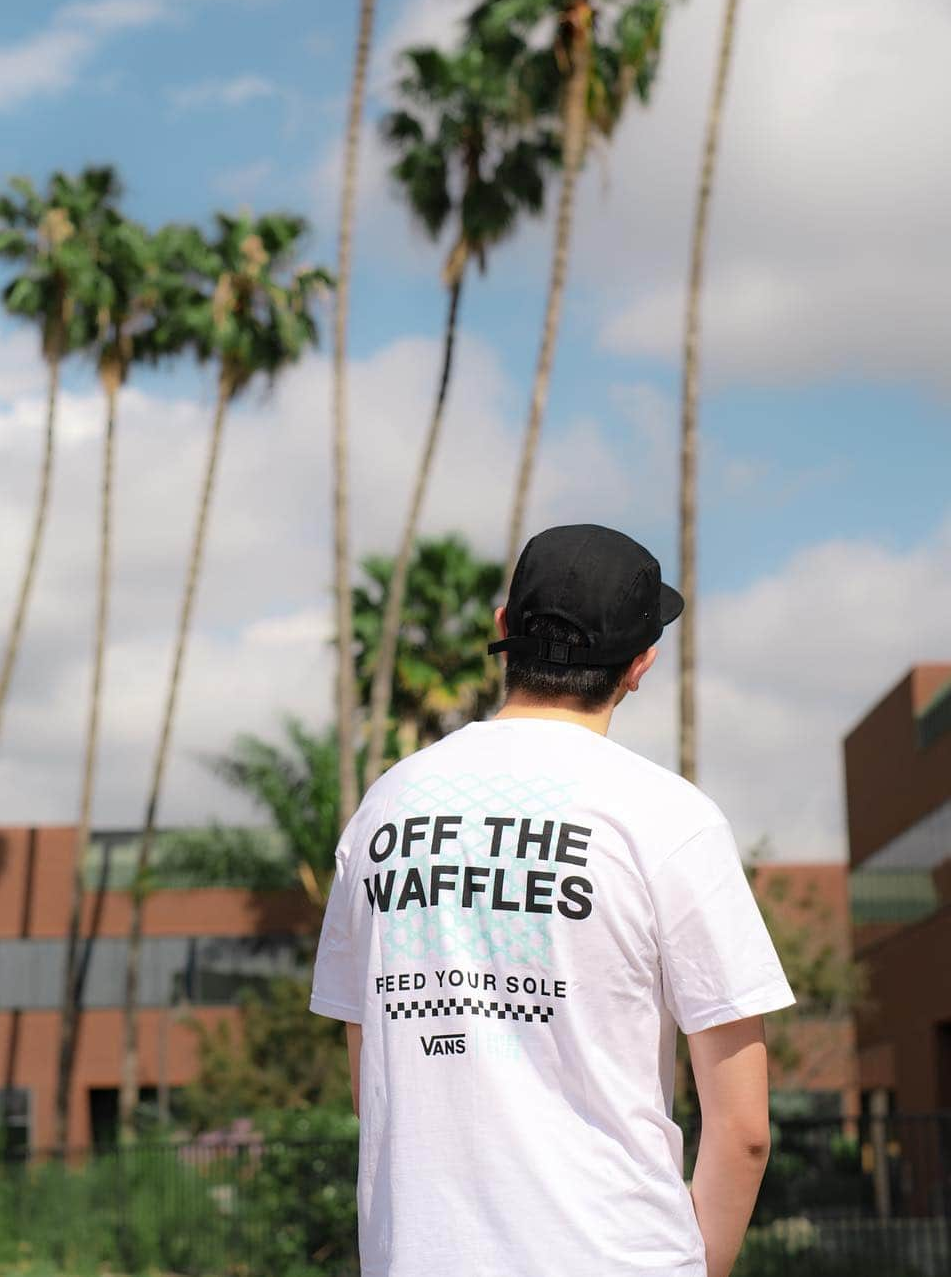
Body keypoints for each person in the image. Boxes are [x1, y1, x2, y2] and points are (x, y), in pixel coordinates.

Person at [309, 523, 796, 1277]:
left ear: (504, 630)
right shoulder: (668, 818)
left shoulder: (384, 809)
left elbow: (373, 1071)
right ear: (640, 664)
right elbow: (744, 1129)